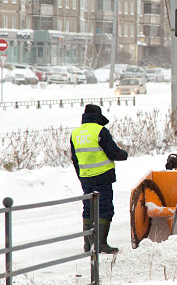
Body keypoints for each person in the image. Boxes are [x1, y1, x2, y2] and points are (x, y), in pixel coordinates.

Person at [71, 104, 129, 253]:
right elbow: (113, 152)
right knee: (104, 208)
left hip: (85, 178)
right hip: (102, 177)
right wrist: (124, 154)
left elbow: (75, 159)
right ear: (98, 117)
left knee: (88, 209)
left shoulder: (75, 134)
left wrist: (82, 176)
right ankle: (101, 243)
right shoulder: (100, 131)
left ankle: (88, 244)